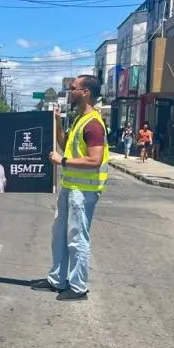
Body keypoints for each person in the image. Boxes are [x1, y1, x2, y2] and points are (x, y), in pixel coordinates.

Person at [30, 75, 109, 301]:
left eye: (73, 88)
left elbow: (95, 160)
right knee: (59, 235)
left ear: (85, 93)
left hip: (83, 192)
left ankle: (78, 286)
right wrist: (57, 123)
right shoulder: (78, 119)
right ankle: (57, 279)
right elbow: (66, 146)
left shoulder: (93, 124)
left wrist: (62, 162)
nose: (69, 91)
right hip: (70, 187)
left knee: (77, 238)